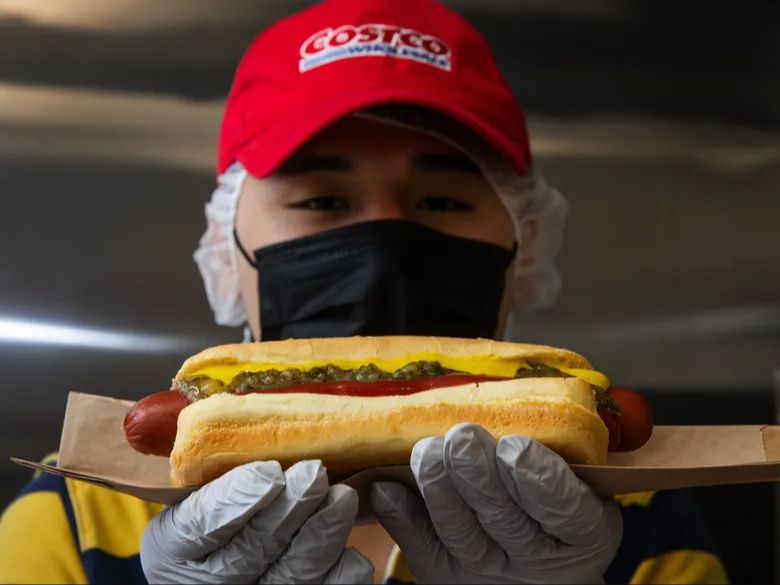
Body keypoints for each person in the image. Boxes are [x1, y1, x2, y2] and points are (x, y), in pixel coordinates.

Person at [0, 0, 728, 583]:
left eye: (443, 202)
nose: (386, 246)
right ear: (229, 251)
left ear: (524, 248)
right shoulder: (71, 527)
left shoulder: (639, 525)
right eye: (321, 202)